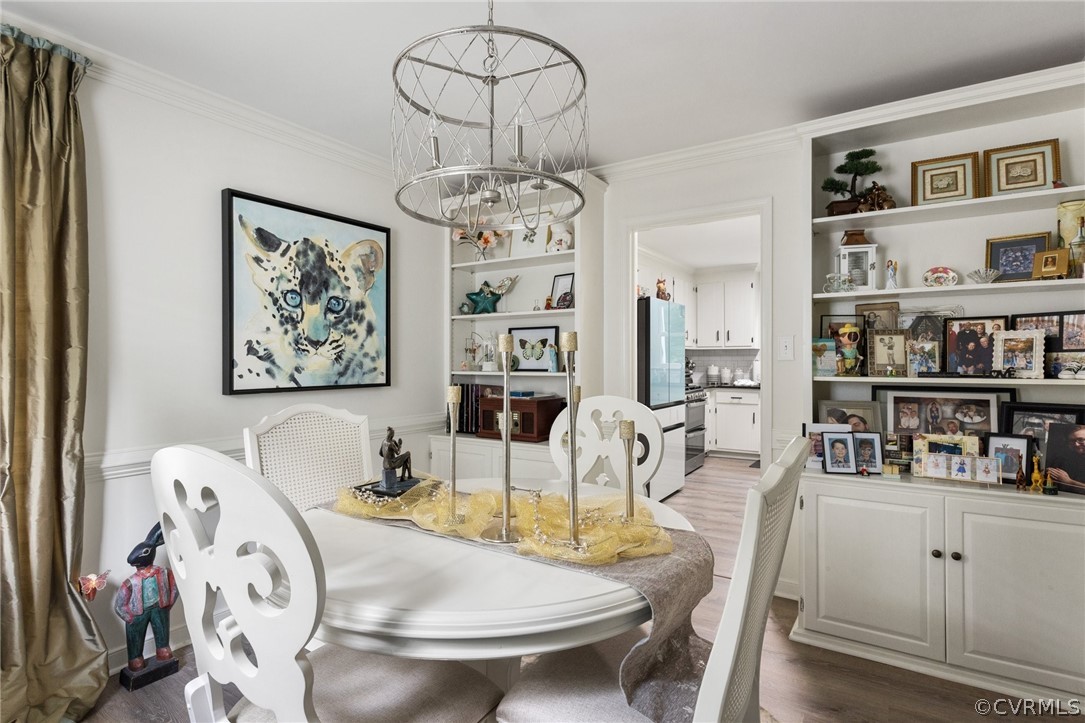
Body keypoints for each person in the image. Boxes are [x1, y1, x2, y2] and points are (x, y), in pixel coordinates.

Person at [114, 523, 178, 672]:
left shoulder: (163, 572)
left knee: (162, 630)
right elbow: (120, 603)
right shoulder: (131, 582)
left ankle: (163, 650)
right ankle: (135, 658)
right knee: (135, 635)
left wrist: (169, 603)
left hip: (159, 608)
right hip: (138, 613)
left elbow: (174, 587)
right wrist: (128, 616)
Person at [1047, 424, 1085, 493]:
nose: (1076, 444)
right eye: (1072, 441)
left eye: (1080, 440)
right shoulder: (1063, 459)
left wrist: (1069, 482)